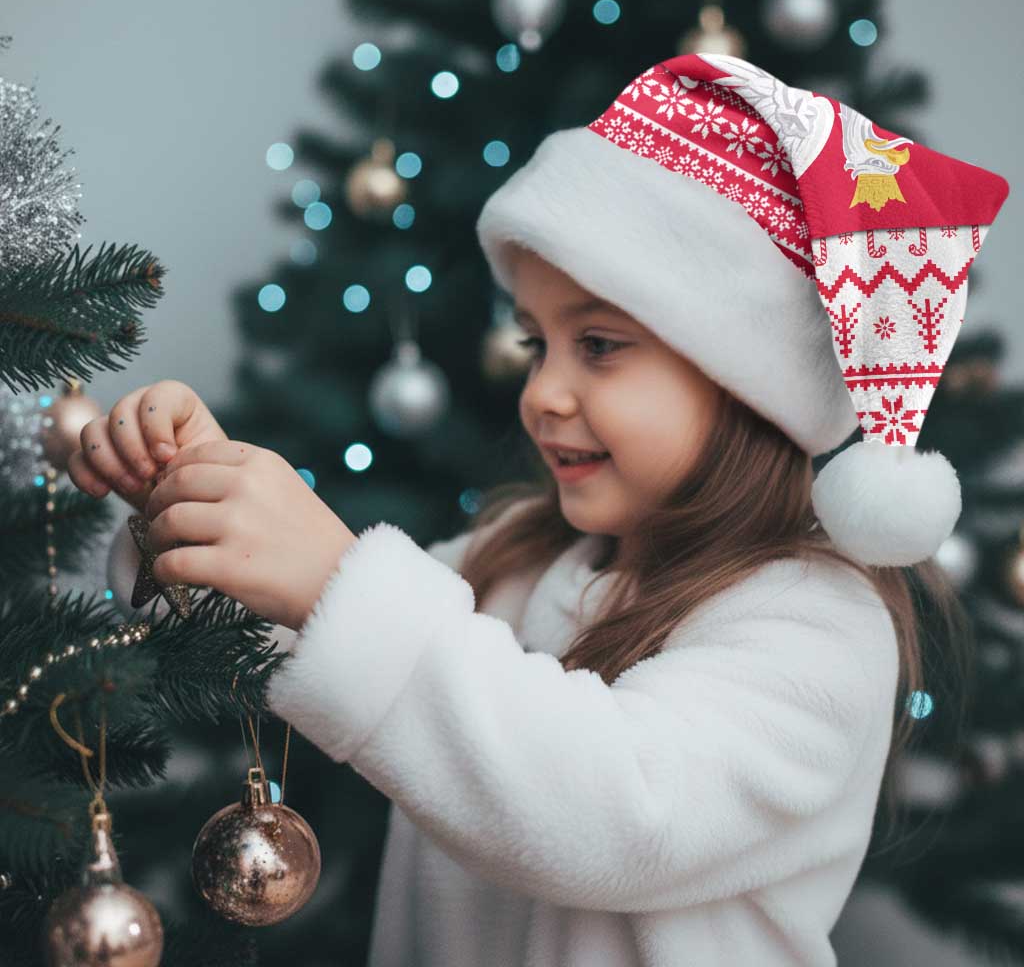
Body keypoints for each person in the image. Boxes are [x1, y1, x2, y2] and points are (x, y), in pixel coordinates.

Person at [74, 53, 1009, 966]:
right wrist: (193, 506)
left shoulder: (818, 626)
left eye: (598, 345)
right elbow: (303, 633)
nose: (542, 394)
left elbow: (616, 814)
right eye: (535, 344)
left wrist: (334, 580)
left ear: (747, 382)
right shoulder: (516, 558)